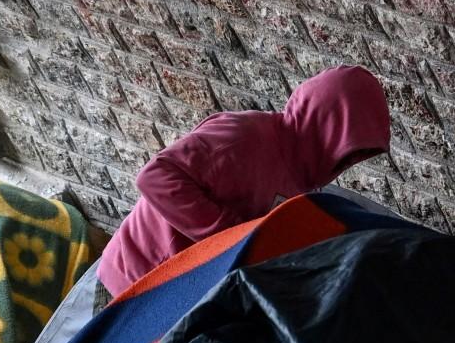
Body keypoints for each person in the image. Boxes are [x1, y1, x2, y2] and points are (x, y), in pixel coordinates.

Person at [91, 63, 389, 297]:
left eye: (357, 154)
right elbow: (156, 176)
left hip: (178, 291)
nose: (348, 163)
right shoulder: (242, 137)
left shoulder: (303, 183)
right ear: (326, 124)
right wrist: (231, 238)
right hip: (133, 281)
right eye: (349, 148)